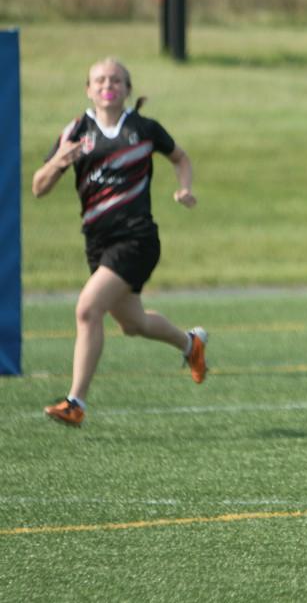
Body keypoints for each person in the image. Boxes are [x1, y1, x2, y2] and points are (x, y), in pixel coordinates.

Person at [31, 57, 208, 427]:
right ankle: (191, 344)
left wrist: (185, 187)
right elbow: (38, 188)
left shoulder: (143, 128)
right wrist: (59, 163)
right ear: (88, 89)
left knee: (87, 309)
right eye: (99, 79)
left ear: (127, 89)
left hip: (137, 238)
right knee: (133, 323)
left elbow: (181, 157)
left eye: (115, 79)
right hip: (98, 244)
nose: (107, 84)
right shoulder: (76, 131)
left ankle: (75, 402)